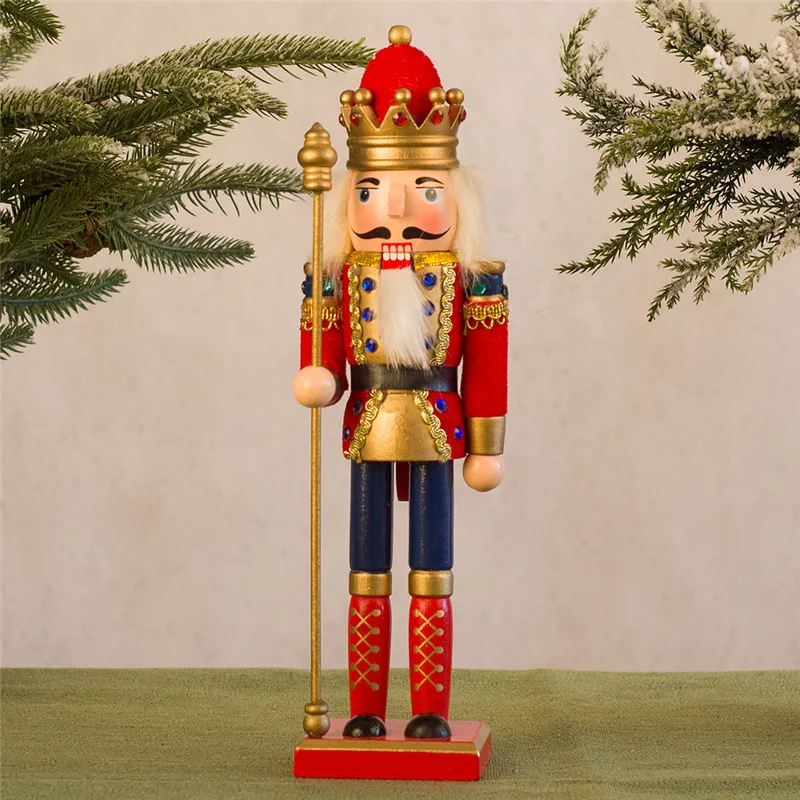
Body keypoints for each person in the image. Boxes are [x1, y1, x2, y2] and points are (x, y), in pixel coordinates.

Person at [293, 25, 509, 740]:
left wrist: (487, 446)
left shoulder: (474, 279)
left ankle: (429, 710)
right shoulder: (335, 274)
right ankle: (364, 707)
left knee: (431, 572)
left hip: (440, 423)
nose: (395, 213)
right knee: (366, 570)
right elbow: (322, 351)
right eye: (373, 191)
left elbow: (489, 364)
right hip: (367, 422)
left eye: (422, 191)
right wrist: (319, 374)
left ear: (455, 197)